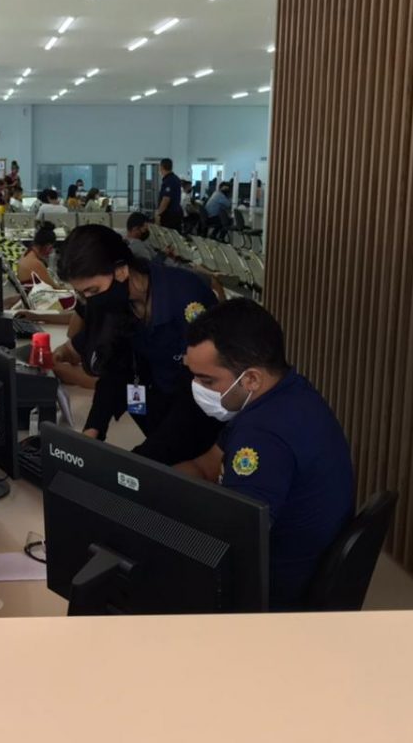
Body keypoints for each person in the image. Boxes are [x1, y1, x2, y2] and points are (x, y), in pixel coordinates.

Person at [177, 301, 355, 610]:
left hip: (275, 593)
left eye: (207, 381)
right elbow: (207, 465)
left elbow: (233, 544)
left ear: (251, 379)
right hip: (296, 564)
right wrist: (146, 486)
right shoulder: (288, 392)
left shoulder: (263, 436)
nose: (197, 388)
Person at [56, 224, 222, 464]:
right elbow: (116, 367)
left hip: (198, 418)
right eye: (83, 294)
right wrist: (93, 430)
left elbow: (199, 390)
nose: (89, 301)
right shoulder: (118, 303)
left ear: (121, 270)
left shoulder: (185, 297)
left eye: (92, 290)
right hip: (155, 408)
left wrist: (142, 458)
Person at [17, 222, 62, 288]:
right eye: (50, 248)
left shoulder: (27, 255)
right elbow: (54, 287)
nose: (50, 252)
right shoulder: (35, 263)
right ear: (46, 246)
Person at [155, 158, 183, 230]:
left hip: (169, 216)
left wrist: (158, 213)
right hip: (175, 213)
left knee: (168, 234)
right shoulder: (175, 178)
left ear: (161, 167)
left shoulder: (169, 181)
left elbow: (166, 199)